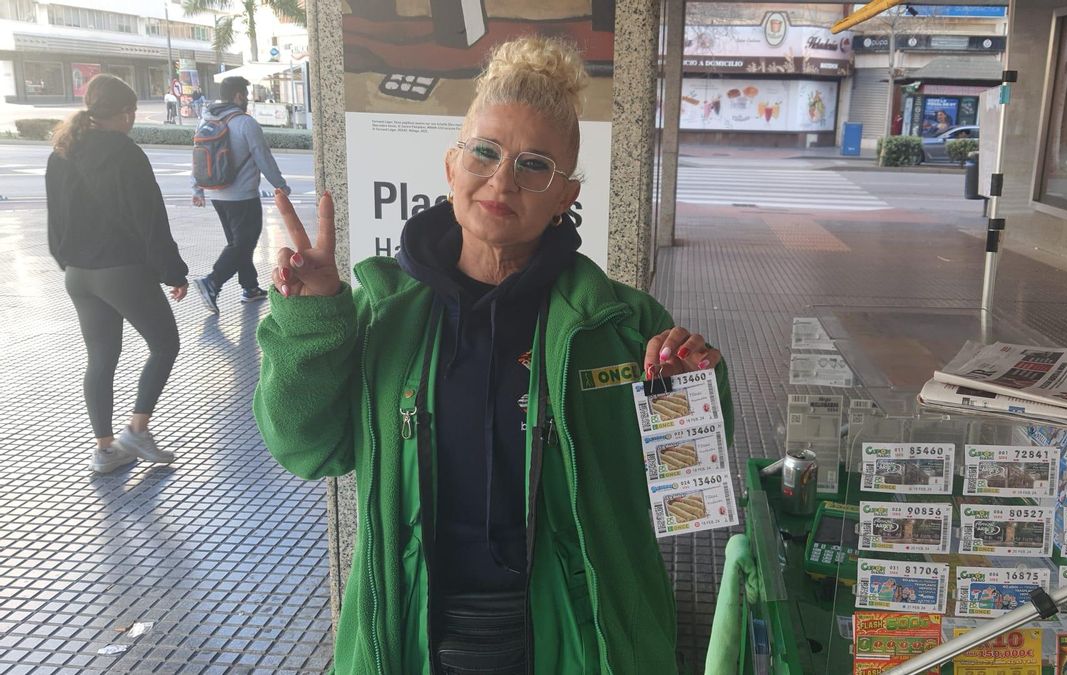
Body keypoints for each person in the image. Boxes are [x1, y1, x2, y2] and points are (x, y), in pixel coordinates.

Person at [254, 35, 731, 674]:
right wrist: (311, 316)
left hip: (581, 639)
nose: (502, 179)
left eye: (535, 165)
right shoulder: (382, 317)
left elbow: (686, 484)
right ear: (452, 166)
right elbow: (306, 448)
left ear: (567, 196)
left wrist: (695, 385)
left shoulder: (619, 327)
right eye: (485, 152)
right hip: (412, 636)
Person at [46, 74, 187, 473]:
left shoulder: (62, 150)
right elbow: (150, 218)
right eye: (133, 112)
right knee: (164, 344)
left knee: (101, 356)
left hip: (79, 274)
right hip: (121, 270)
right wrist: (172, 271)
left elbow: (56, 219)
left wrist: (67, 261)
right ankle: (136, 430)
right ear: (125, 113)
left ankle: (105, 450)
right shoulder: (124, 152)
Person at [190, 75, 291, 312]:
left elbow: (196, 156)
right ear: (238, 96)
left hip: (217, 195)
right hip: (243, 196)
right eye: (244, 94)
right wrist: (281, 186)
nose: (246, 99)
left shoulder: (206, 119)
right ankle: (212, 282)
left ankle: (250, 287)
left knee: (237, 243)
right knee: (244, 243)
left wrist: (197, 188)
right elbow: (263, 158)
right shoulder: (246, 123)